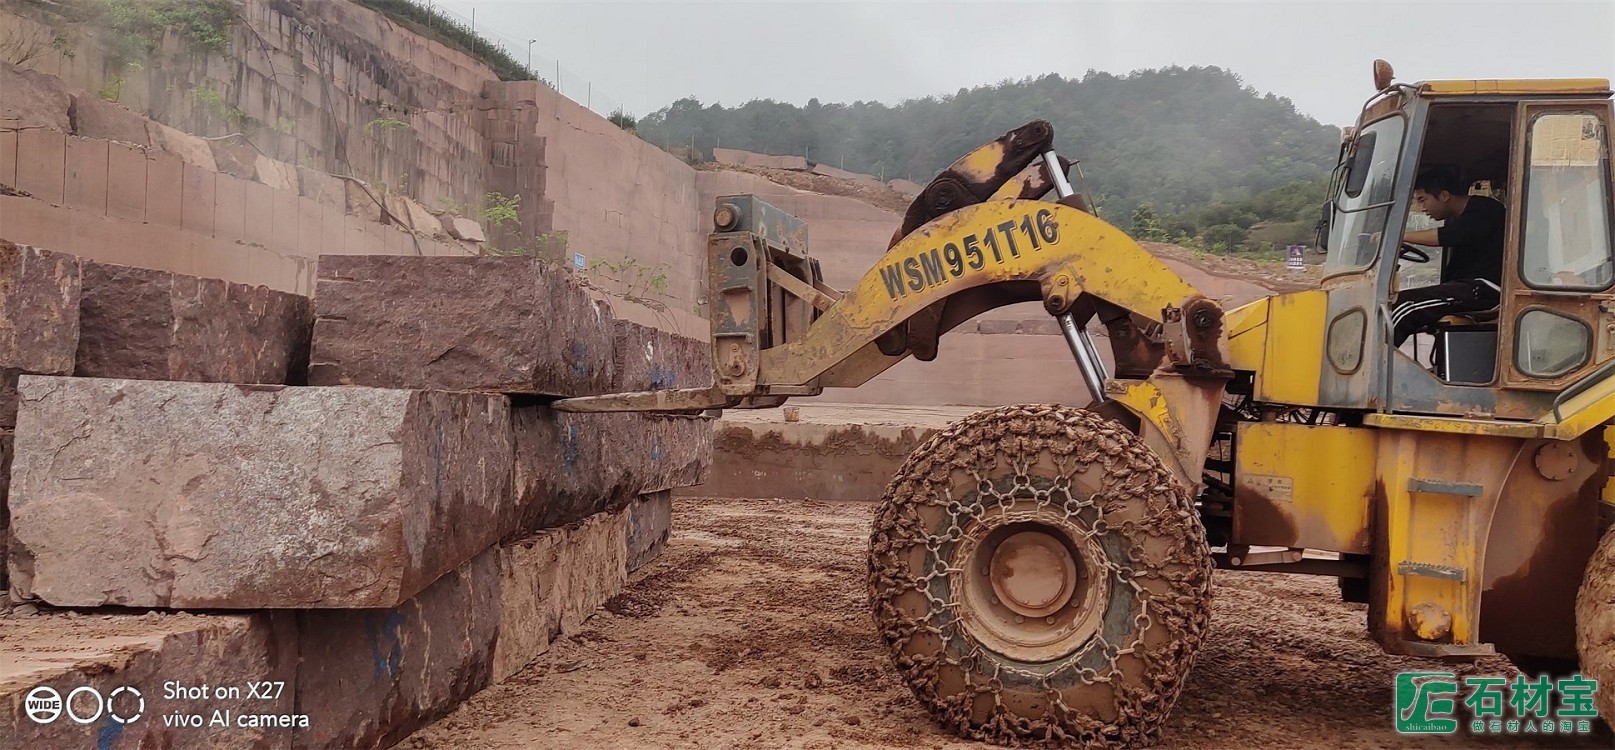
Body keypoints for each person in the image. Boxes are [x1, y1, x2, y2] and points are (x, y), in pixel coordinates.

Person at [1389, 168, 1506, 345]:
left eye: (1423, 200)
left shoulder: (1485, 210)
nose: (1422, 208)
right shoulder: (1457, 217)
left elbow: (1448, 236)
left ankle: (1374, 364)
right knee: (1394, 303)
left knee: (1406, 308)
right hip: (1467, 287)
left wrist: (1398, 237)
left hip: (1486, 289)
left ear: (1444, 196)